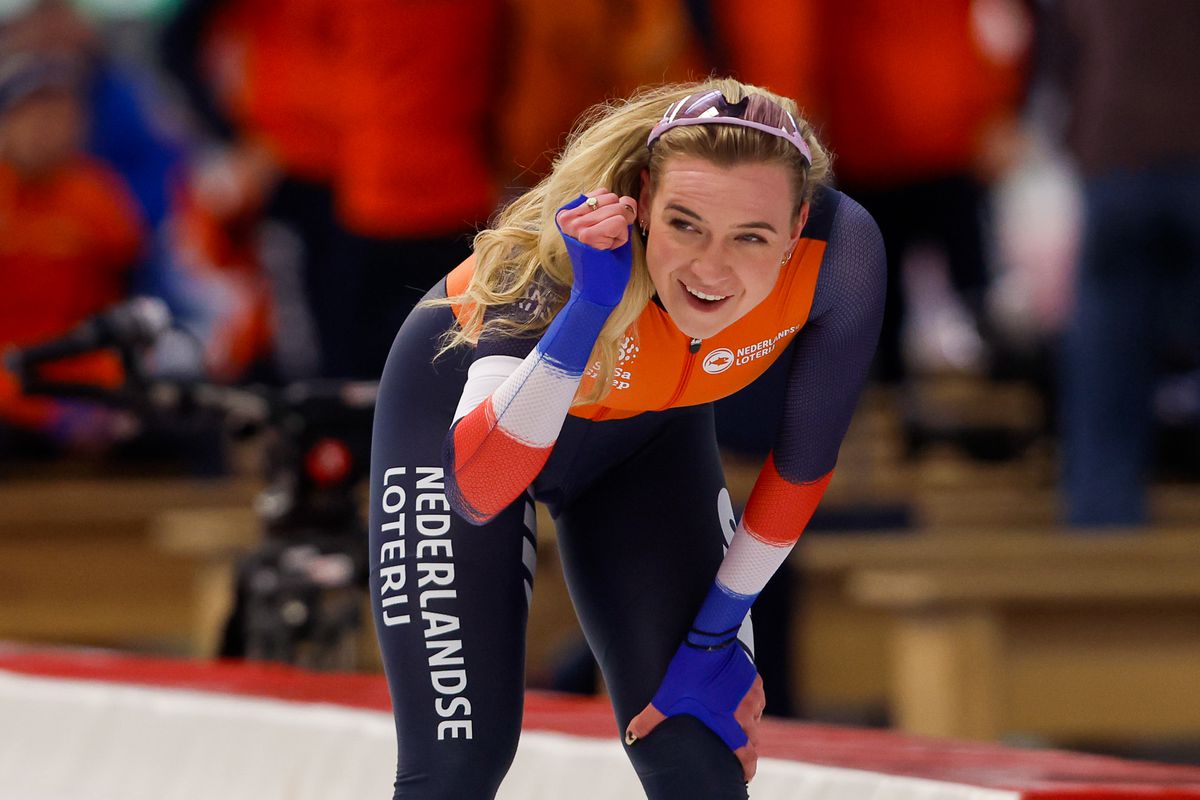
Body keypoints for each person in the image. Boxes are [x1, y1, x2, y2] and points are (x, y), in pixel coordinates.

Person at [368, 78, 885, 799]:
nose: (710, 268)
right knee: (457, 766)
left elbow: (800, 468)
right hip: (465, 428)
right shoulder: (561, 251)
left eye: (751, 237)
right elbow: (479, 491)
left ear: (798, 227)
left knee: (698, 757)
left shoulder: (844, 255)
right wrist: (588, 308)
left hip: (641, 446)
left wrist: (716, 634)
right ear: (642, 199)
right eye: (685, 225)